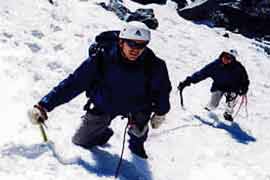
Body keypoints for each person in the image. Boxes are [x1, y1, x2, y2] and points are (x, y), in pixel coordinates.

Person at [29, 21, 172, 159]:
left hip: (138, 106)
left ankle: (137, 144)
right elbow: (74, 83)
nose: (136, 49)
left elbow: (162, 91)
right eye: (132, 43)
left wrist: (161, 112)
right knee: (81, 141)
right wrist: (44, 105)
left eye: (142, 45)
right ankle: (102, 133)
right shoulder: (102, 57)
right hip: (105, 103)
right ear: (121, 42)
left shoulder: (155, 65)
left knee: (139, 131)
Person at [178, 50, 249, 122]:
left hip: (232, 88)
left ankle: (228, 113)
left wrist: (244, 88)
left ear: (233, 59)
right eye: (225, 56)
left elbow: (245, 79)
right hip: (218, 87)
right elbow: (202, 73)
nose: (226, 59)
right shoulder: (215, 65)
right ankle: (207, 110)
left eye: (229, 58)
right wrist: (188, 81)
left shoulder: (238, 68)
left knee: (232, 99)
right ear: (222, 55)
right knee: (213, 105)